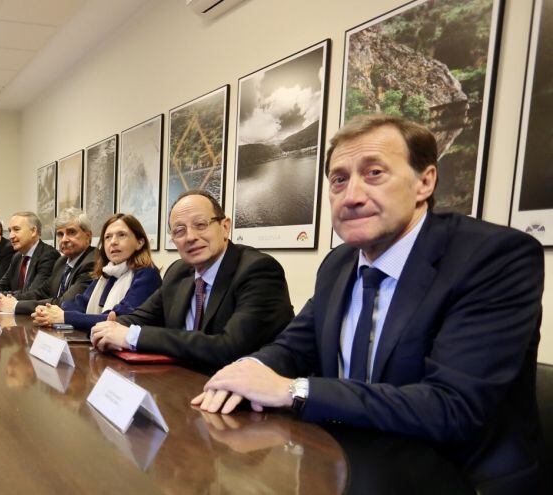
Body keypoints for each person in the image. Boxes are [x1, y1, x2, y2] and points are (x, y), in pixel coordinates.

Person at [192, 115, 543, 493]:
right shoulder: (338, 263)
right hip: (344, 463)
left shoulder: (493, 257)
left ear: (424, 182)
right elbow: (294, 346)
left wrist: (294, 391)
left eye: (374, 173)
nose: (352, 195)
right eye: (339, 180)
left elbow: (451, 406)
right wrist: (247, 369)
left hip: (454, 477)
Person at [89, 191, 294, 371]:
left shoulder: (258, 271)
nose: (190, 237)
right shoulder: (179, 272)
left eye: (200, 225)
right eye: (179, 230)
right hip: (181, 386)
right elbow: (140, 318)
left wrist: (131, 337)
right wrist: (110, 328)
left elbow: (229, 348)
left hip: (247, 401)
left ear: (225, 227)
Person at [34, 213, 161, 330]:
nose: (113, 242)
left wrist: (64, 317)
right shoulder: (107, 273)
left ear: (140, 242)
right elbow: (80, 303)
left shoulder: (147, 274)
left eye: (121, 235)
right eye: (108, 237)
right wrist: (49, 311)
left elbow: (117, 319)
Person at [0, 208, 98, 314]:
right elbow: (42, 292)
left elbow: (65, 304)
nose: (64, 239)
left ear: (88, 236)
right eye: (60, 234)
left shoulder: (92, 262)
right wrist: (10, 299)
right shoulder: (62, 261)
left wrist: (16, 305)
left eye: (71, 232)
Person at [0, 211, 59, 303]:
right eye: (10, 231)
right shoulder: (17, 257)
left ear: (33, 231)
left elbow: (33, 294)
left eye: (16, 229)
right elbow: (2, 285)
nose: (11, 236)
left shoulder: (48, 255)